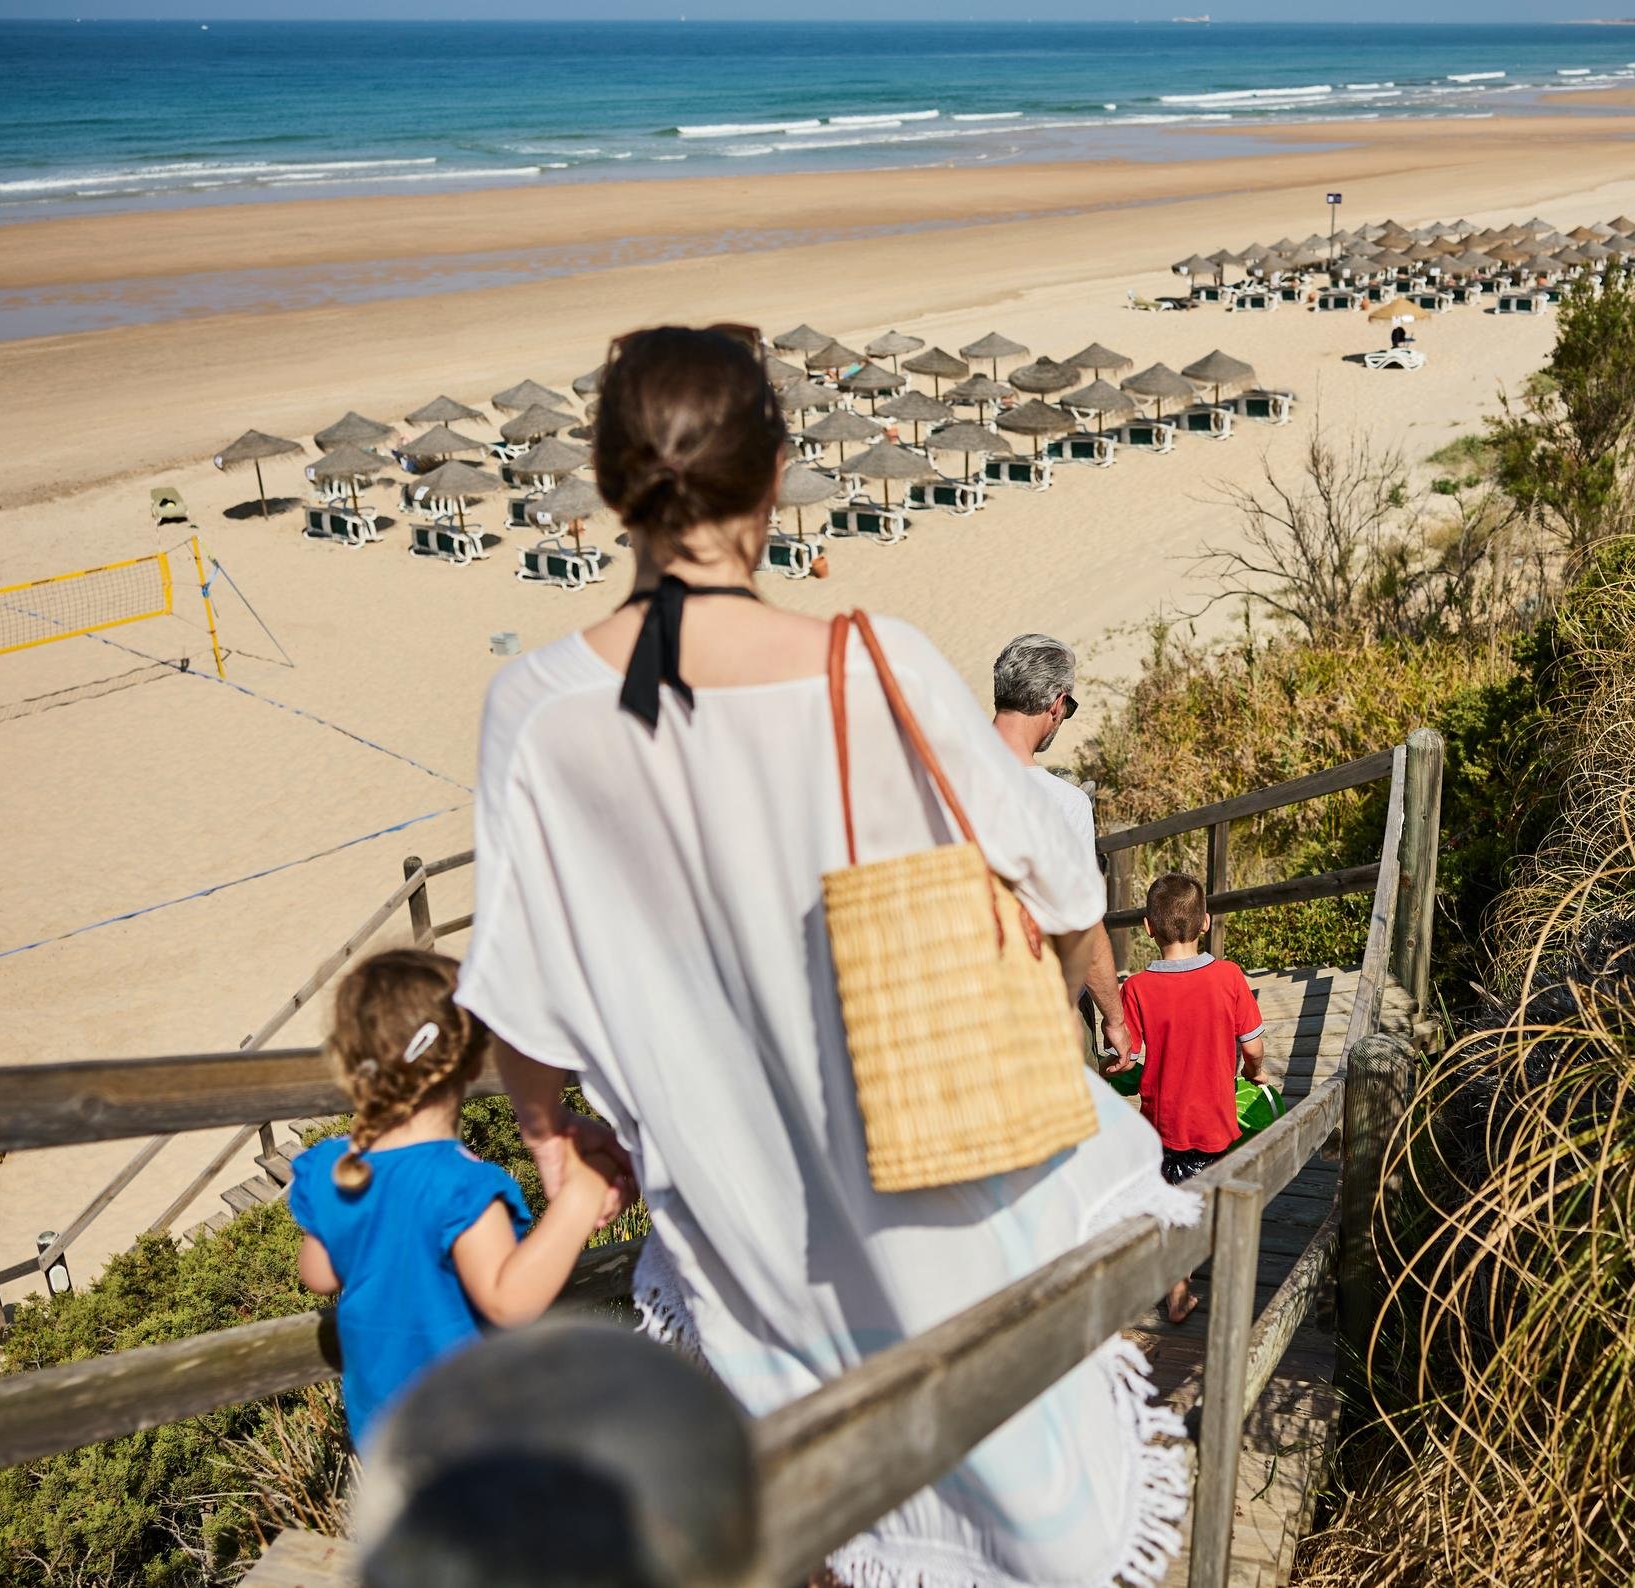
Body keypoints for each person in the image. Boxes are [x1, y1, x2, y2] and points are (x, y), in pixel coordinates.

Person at [454, 325, 1200, 1587]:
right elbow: (1061, 875)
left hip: (738, 1210)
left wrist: (553, 1151)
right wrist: (1091, 973)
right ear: (779, 472)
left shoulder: (537, 714)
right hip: (938, 1168)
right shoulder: (877, 662)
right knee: (1007, 1494)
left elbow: (519, 996)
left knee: (814, 1524)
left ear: (610, 479)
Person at [289, 948, 619, 1453]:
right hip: (471, 1433)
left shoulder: (333, 1166)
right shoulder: (459, 1186)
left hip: (381, 1431)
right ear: (467, 1065)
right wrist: (582, 1195)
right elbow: (509, 1302)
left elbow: (318, 1274)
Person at [1111, 874, 1267, 1326]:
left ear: (1147, 927)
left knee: (1174, 1204)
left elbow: (1128, 1057)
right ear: (1206, 922)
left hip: (1164, 1126)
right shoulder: (1229, 976)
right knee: (1220, 1200)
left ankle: (1178, 1293)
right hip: (1217, 1122)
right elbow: (1252, 1047)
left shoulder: (1136, 988)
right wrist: (1256, 1074)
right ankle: (1231, 1289)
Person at [989, 632, 1130, 1062]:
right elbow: (1079, 928)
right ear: (1056, 703)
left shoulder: (938, 771)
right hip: (1039, 1013)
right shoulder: (1063, 803)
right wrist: (1114, 1018)